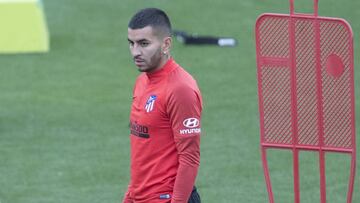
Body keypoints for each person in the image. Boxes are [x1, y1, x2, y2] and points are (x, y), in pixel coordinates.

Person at [123, 8, 203, 203]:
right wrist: (130, 196)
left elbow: (190, 158)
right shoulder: (142, 82)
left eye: (144, 44)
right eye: (131, 43)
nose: (135, 52)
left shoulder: (180, 89)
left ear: (166, 44)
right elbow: (144, 151)